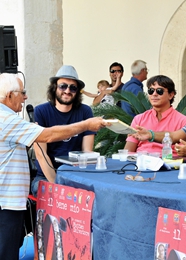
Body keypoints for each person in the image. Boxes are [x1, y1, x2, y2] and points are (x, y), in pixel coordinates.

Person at [0, 73, 107, 260]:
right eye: (22, 93)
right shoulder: (6, 119)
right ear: (9, 96)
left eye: (73, 87)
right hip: (6, 203)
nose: (25, 97)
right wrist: (86, 125)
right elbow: (47, 136)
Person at [31, 65, 103, 197]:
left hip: (75, 176)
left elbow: (86, 152)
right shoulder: (41, 111)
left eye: (73, 87)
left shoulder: (85, 111)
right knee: (56, 195)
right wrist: (59, 186)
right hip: (47, 177)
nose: (67, 91)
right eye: (63, 86)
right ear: (54, 88)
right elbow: (41, 155)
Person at [124, 75, 186, 156]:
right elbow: (128, 152)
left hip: (169, 164)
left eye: (159, 91)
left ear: (171, 95)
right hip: (140, 164)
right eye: (151, 91)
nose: (154, 94)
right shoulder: (139, 119)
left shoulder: (183, 121)